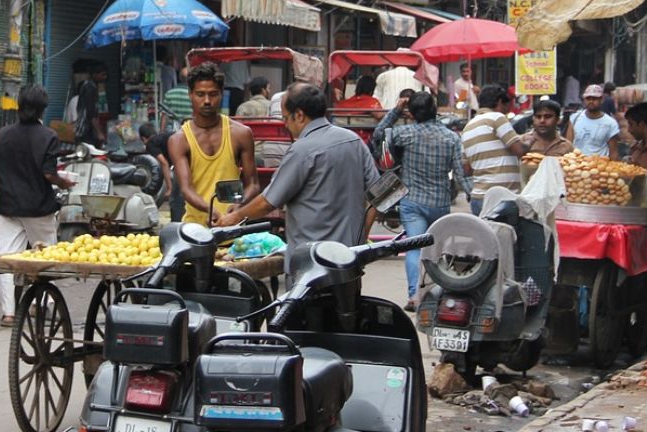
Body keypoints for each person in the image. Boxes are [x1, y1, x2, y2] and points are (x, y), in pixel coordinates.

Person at [218, 83, 378, 265]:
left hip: (311, 262)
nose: (285, 125)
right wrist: (360, 238)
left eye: (286, 118)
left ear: (299, 115)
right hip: (350, 259)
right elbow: (380, 196)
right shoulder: (353, 141)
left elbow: (267, 202)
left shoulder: (302, 150)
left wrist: (235, 217)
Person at [374, 91, 472, 310]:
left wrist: (396, 110)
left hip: (413, 202)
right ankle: (435, 294)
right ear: (434, 110)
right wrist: (473, 195)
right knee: (436, 251)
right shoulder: (452, 138)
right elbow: (460, 174)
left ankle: (414, 296)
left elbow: (379, 134)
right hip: (440, 202)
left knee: (414, 248)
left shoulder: (404, 133)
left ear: (412, 113)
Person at [0, 85, 75, 326]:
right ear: (42, 109)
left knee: (6, 258)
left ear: (19, 105)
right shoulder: (48, 136)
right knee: (47, 254)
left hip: (9, 207)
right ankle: (42, 305)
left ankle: (8, 313)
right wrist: (64, 182)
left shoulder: (4, 134)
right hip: (39, 208)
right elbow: (49, 174)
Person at [168, 62, 258, 224]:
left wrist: (238, 206)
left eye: (213, 94)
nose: (207, 101)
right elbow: (186, 189)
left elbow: (253, 184)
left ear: (222, 93)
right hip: (194, 231)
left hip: (233, 227)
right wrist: (210, 211)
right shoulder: (179, 140)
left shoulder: (241, 133)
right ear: (190, 95)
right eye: (200, 94)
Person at [461, 83, 527, 215]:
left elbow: (467, 170)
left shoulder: (467, 128)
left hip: (478, 198)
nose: (506, 111)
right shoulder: (497, 118)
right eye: (505, 107)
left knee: (484, 236)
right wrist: (531, 140)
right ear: (499, 102)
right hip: (502, 198)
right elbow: (519, 150)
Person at [140, 121, 182, 222]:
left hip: (183, 162)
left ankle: (176, 225)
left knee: (175, 198)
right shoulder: (161, 139)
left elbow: (164, 164)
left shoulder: (151, 144)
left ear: (143, 138)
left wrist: (169, 188)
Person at [567, 84, 621, 158]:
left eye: (594, 98)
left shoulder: (611, 123)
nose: (591, 101)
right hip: (577, 165)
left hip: (598, 166)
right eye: (588, 98)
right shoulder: (574, 118)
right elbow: (568, 146)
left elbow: (613, 152)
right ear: (584, 100)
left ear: (601, 100)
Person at [73, 66, 107, 146]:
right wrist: (99, 133)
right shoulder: (90, 88)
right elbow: (91, 113)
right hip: (85, 131)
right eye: (102, 75)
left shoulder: (86, 85)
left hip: (82, 130)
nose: (105, 77)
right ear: (94, 74)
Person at [161, 66, 193, 131]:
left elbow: (164, 116)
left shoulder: (169, 93)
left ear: (179, 78)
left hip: (172, 132)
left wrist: (161, 132)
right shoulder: (193, 95)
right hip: (190, 131)